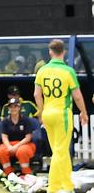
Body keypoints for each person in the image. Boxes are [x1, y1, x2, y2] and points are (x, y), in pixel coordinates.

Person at [34, 39, 88, 193]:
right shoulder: (68, 71)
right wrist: (83, 112)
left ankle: (67, 184)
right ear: (63, 52)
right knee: (60, 151)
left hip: (48, 114)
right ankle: (54, 187)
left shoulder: (42, 70)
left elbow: (37, 94)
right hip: (62, 114)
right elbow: (77, 96)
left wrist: (41, 111)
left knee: (59, 151)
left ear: (50, 52)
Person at [0, 98, 37, 177]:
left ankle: (27, 173)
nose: (13, 108)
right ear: (9, 108)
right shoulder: (5, 121)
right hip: (10, 143)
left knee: (22, 151)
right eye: (11, 107)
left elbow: (28, 137)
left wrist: (16, 147)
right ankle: (9, 174)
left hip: (25, 144)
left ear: (19, 108)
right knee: (0, 151)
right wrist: (9, 147)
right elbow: (4, 137)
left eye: (15, 106)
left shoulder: (25, 120)